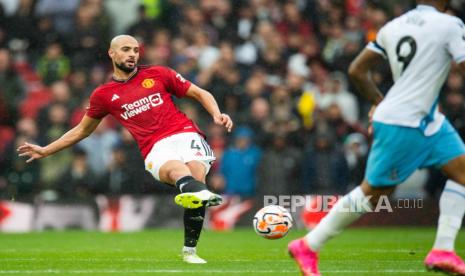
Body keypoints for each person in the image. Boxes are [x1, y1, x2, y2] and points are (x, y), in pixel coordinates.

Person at [17, 35, 233, 264]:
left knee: (196, 179)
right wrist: (46, 150)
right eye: (126, 49)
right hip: (154, 146)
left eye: (136, 50)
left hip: (185, 133)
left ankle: (190, 250)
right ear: (112, 53)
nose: (132, 54)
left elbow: (200, 92)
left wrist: (216, 114)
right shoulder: (103, 95)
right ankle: (195, 194)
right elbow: (81, 130)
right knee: (181, 174)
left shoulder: (158, 73)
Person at [288, 1, 465, 275]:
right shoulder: (450, 25)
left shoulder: (393, 26)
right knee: (374, 192)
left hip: (428, 120)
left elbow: (357, 70)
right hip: (405, 121)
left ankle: (443, 249)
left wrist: (380, 102)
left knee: (462, 173)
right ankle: (309, 244)